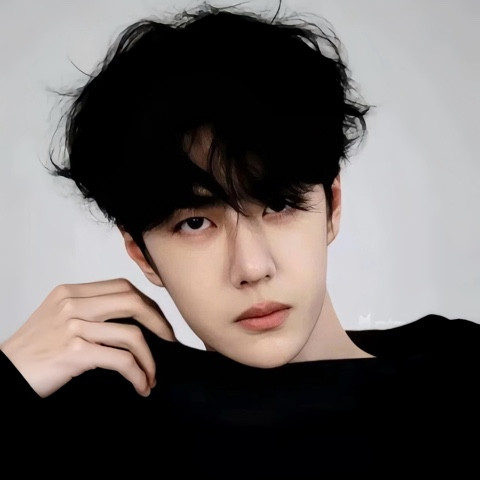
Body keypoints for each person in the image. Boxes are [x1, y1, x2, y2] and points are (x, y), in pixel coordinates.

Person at [1, 1, 478, 476]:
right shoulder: (105, 415)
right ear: (141, 254)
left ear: (332, 207)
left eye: (278, 204)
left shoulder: (459, 374)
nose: (251, 268)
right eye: (195, 223)